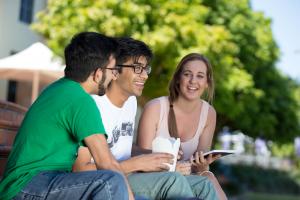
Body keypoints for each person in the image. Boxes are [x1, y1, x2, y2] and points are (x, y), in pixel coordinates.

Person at [73, 38, 217, 199]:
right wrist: (138, 163)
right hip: (107, 181)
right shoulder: (94, 105)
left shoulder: (131, 103)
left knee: (204, 185)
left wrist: (160, 156)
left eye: (145, 69)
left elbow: (123, 146)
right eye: (137, 68)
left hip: (130, 175)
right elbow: (80, 170)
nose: (145, 76)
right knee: (173, 180)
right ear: (115, 71)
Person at [0, 32, 134, 200]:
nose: (114, 76)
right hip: (26, 186)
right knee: (110, 181)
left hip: (43, 181)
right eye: (113, 70)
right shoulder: (79, 100)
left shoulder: (60, 89)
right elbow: (106, 162)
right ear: (98, 73)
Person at [137, 53, 227, 200]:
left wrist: (203, 166)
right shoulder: (155, 108)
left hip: (191, 180)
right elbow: (142, 159)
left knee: (209, 178)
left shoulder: (209, 113)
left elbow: (199, 168)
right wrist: (172, 168)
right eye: (187, 74)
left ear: (207, 83)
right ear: (178, 78)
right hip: (154, 178)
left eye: (200, 76)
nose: (193, 81)